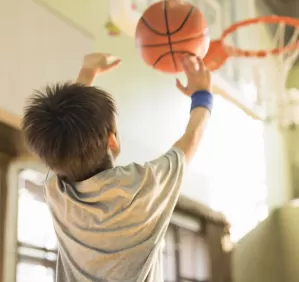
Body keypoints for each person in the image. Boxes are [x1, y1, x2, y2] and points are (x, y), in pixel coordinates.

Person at [22, 52, 213, 282]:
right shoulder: (141, 188)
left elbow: (62, 139)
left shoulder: (55, 191)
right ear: (112, 140)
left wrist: (86, 75)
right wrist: (202, 94)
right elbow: (191, 140)